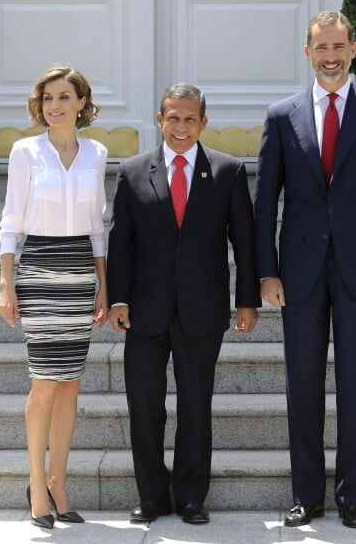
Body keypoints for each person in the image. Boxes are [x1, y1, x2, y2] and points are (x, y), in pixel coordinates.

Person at [254, 11, 356, 529]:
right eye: (321, 47)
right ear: (307, 52)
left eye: (338, 46)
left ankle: (351, 496)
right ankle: (306, 495)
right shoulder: (281, 115)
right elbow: (265, 202)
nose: (330, 56)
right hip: (297, 272)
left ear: (354, 49)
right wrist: (266, 272)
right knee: (302, 383)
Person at [106, 83, 260, 525]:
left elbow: (243, 242)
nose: (181, 126)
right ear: (159, 120)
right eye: (173, 117)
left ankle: (191, 496)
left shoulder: (228, 171)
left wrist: (246, 301)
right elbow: (122, 243)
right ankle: (152, 496)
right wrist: (117, 298)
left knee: (195, 405)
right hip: (144, 309)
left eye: (190, 118)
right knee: (145, 406)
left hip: (202, 310)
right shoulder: (132, 170)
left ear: (204, 123)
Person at [0, 65, 108, 529]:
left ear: (82, 102)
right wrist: (6, 284)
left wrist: (105, 285)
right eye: (48, 98)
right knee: (45, 381)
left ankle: (60, 481)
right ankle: (37, 484)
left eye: (64, 97)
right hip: (39, 269)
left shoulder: (97, 152)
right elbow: (8, 222)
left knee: (71, 383)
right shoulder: (25, 151)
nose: (55, 106)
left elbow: (98, 226)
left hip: (81, 270)